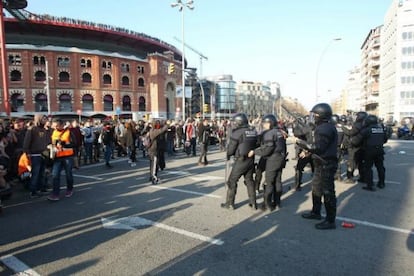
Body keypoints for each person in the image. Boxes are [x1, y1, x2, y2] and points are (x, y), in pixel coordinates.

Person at [296, 103, 338, 230]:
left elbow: (318, 148)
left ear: (321, 115)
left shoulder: (324, 129)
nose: (313, 117)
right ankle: (316, 212)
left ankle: (330, 221)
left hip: (326, 163)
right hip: (320, 163)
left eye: (315, 115)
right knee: (316, 188)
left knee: (327, 192)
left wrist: (300, 143)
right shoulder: (323, 127)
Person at [248, 114, 286, 211]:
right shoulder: (279, 132)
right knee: (278, 181)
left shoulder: (270, 133)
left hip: (273, 159)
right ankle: (277, 202)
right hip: (281, 158)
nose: (263, 125)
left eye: (265, 123)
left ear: (270, 123)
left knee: (269, 182)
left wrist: (255, 151)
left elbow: (267, 149)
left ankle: (267, 204)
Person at [221, 113, 258, 210]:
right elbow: (257, 144)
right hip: (250, 159)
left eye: (235, 122)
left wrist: (228, 155)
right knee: (249, 181)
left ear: (239, 122)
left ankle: (229, 204)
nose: (234, 124)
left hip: (241, 160)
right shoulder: (253, 131)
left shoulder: (237, 132)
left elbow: (231, 148)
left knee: (232, 181)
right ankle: (253, 203)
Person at [351, 115, 387, 190]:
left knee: (368, 168)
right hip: (380, 150)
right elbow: (385, 140)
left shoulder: (367, 130)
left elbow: (355, 141)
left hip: (369, 150)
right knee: (380, 167)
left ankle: (369, 185)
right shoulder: (381, 129)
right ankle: (381, 183)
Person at [23, 115, 52, 198]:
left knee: (42, 173)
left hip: (44, 153)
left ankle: (41, 188)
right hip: (35, 154)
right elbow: (26, 141)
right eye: (43, 119)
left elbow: (48, 141)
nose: (45, 120)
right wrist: (26, 151)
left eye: (46, 119)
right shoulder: (32, 129)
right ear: (39, 119)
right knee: (35, 173)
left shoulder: (45, 129)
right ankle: (33, 191)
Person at [47, 119, 76, 201]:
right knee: (55, 175)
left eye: (57, 125)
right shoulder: (53, 132)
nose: (55, 127)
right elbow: (51, 142)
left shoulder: (69, 132)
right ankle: (55, 193)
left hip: (68, 156)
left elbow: (75, 143)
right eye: (54, 125)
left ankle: (69, 189)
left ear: (62, 125)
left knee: (68, 174)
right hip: (57, 156)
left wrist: (65, 144)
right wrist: (50, 146)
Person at [342, 111, 367, 183]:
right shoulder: (366, 125)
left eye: (357, 116)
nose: (355, 117)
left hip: (354, 146)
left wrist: (343, 127)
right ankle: (363, 177)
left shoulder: (358, 124)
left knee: (351, 162)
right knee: (361, 163)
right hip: (363, 146)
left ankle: (350, 177)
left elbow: (350, 132)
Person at [292, 116, 314, 191]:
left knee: (299, 168)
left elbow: (296, 134)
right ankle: (315, 185)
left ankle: (297, 186)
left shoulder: (307, 129)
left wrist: (296, 126)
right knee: (315, 170)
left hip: (307, 152)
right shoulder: (318, 129)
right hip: (314, 152)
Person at [147, 120, 169, 184]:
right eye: (158, 124)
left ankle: (152, 176)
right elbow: (161, 130)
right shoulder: (153, 131)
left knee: (153, 164)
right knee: (154, 165)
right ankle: (154, 178)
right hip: (153, 150)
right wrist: (166, 125)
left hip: (153, 149)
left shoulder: (152, 130)